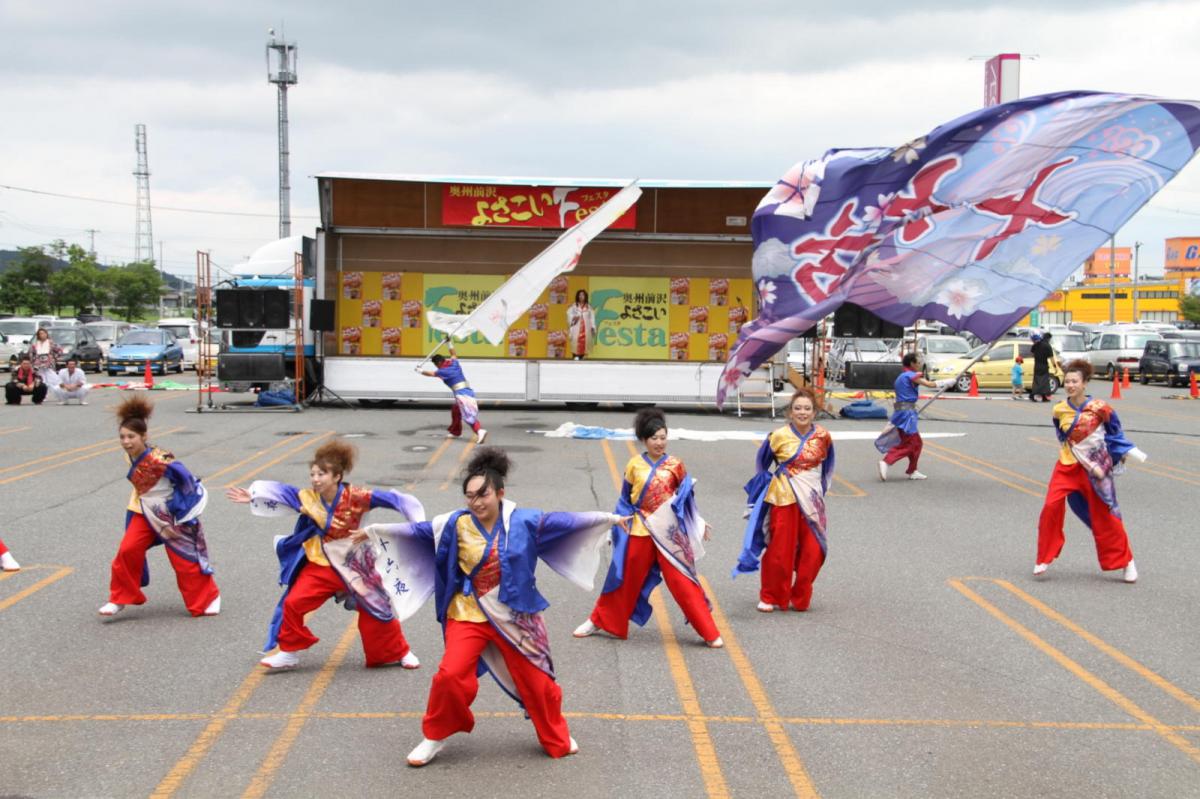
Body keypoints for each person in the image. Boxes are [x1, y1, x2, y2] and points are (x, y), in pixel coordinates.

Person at [356, 447, 624, 766]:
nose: (476, 502)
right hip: (467, 613)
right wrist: (372, 534)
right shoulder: (453, 524)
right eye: (469, 496)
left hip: (516, 615)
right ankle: (436, 735)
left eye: (482, 494)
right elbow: (416, 533)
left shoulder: (524, 521)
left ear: (500, 493)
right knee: (450, 676)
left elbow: (564, 523)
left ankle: (555, 732)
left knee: (540, 681)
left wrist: (608, 520)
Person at [225, 441, 424, 671]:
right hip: (322, 564)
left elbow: (394, 500)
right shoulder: (308, 497)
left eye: (322, 474)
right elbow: (282, 492)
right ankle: (289, 652)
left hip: (355, 565)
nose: (316, 479)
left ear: (337, 476)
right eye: (313, 474)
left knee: (377, 608)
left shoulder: (357, 496)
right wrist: (253, 495)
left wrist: (415, 525)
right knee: (293, 603)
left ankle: (401, 651)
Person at [573, 407, 722, 647]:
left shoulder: (676, 465)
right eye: (654, 438)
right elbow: (625, 500)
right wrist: (617, 526)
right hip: (640, 528)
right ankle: (598, 620)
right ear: (644, 439)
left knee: (682, 580)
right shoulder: (634, 465)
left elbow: (687, 499)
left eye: (663, 437)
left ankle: (709, 631)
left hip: (669, 533)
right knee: (623, 577)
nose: (660, 442)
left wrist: (699, 523)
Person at [99, 396, 220, 617]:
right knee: (127, 550)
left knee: (183, 558)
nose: (126, 441)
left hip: (169, 514)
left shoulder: (160, 459)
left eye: (131, 437)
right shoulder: (131, 455)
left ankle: (208, 598)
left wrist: (182, 507)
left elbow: (186, 479)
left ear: (144, 436)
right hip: (141, 512)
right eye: (123, 437)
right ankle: (119, 598)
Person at [1035, 359, 1145, 583]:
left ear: (1085, 383)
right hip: (1066, 467)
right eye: (1067, 381)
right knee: (1050, 507)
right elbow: (1062, 436)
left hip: (1094, 471)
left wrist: (1124, 452)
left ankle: (1127, 561)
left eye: (1075, 381)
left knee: (1107, 516)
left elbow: (1115, 433)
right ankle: (1044, 557)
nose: (1070, 385)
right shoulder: (1059, 409)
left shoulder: (1100, 407)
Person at [733, 387, 834, 612]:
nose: (802, 412)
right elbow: (762, 464)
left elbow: (828, 469)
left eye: (807, 408)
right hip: (783, 497)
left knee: (814, 550)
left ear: (814, 412)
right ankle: (770, 595)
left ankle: (800, 595)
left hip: (812, 498)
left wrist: (818, 492)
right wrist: (763, 489)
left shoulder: (823, 436)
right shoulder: (778, 435)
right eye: (797, 408)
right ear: (790, 412)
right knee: (779, 549)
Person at [875, 353, 940, 481]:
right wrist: (948, 382)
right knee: (911, 444)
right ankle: (887, 461)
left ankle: (913, 470)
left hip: (902, 412)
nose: (920, 364)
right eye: (918, 362)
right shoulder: (910, 375)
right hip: (907, 414)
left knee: (916, 442)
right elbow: (930, 385)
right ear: (912, 363)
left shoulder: (901, 376)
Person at [421, 339, 487, 443]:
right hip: (466, 390)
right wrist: (449, 343)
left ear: (438, 362)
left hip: (462, 394)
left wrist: (420, 370)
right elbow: (453, 353)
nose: (436, 366)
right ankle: (455, 431)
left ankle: (479, 431)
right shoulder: (454, 363)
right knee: (456, 410)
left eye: (435, 364)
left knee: (467, 414)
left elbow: (431, 374)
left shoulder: (442, 371)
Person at [566, 289, 596, 360]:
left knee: (585, 344)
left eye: (583, 295)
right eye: (580, 295)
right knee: (575, 343)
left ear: (585, 296)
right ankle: (575, 356)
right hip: (576, 328)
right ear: (577, 296)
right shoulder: (574, 306)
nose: (581, 296)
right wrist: (573, 318)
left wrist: (593, 327)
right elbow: (568, 314)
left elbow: (592, 318)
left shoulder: (589, 307)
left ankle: (582, 357)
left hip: (586, 329)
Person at [1030, 331, 1055, 402]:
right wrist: (1055, 366)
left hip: (1037, 366)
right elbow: (1051, 358)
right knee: (1044, 381)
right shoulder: (1048, 346)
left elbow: (1032, 354)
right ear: (1048, 338)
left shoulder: (1035, 345)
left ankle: (1035, 394)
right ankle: (1044, 396)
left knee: (1036, 381)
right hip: (1044, 366)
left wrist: (1037, 356)